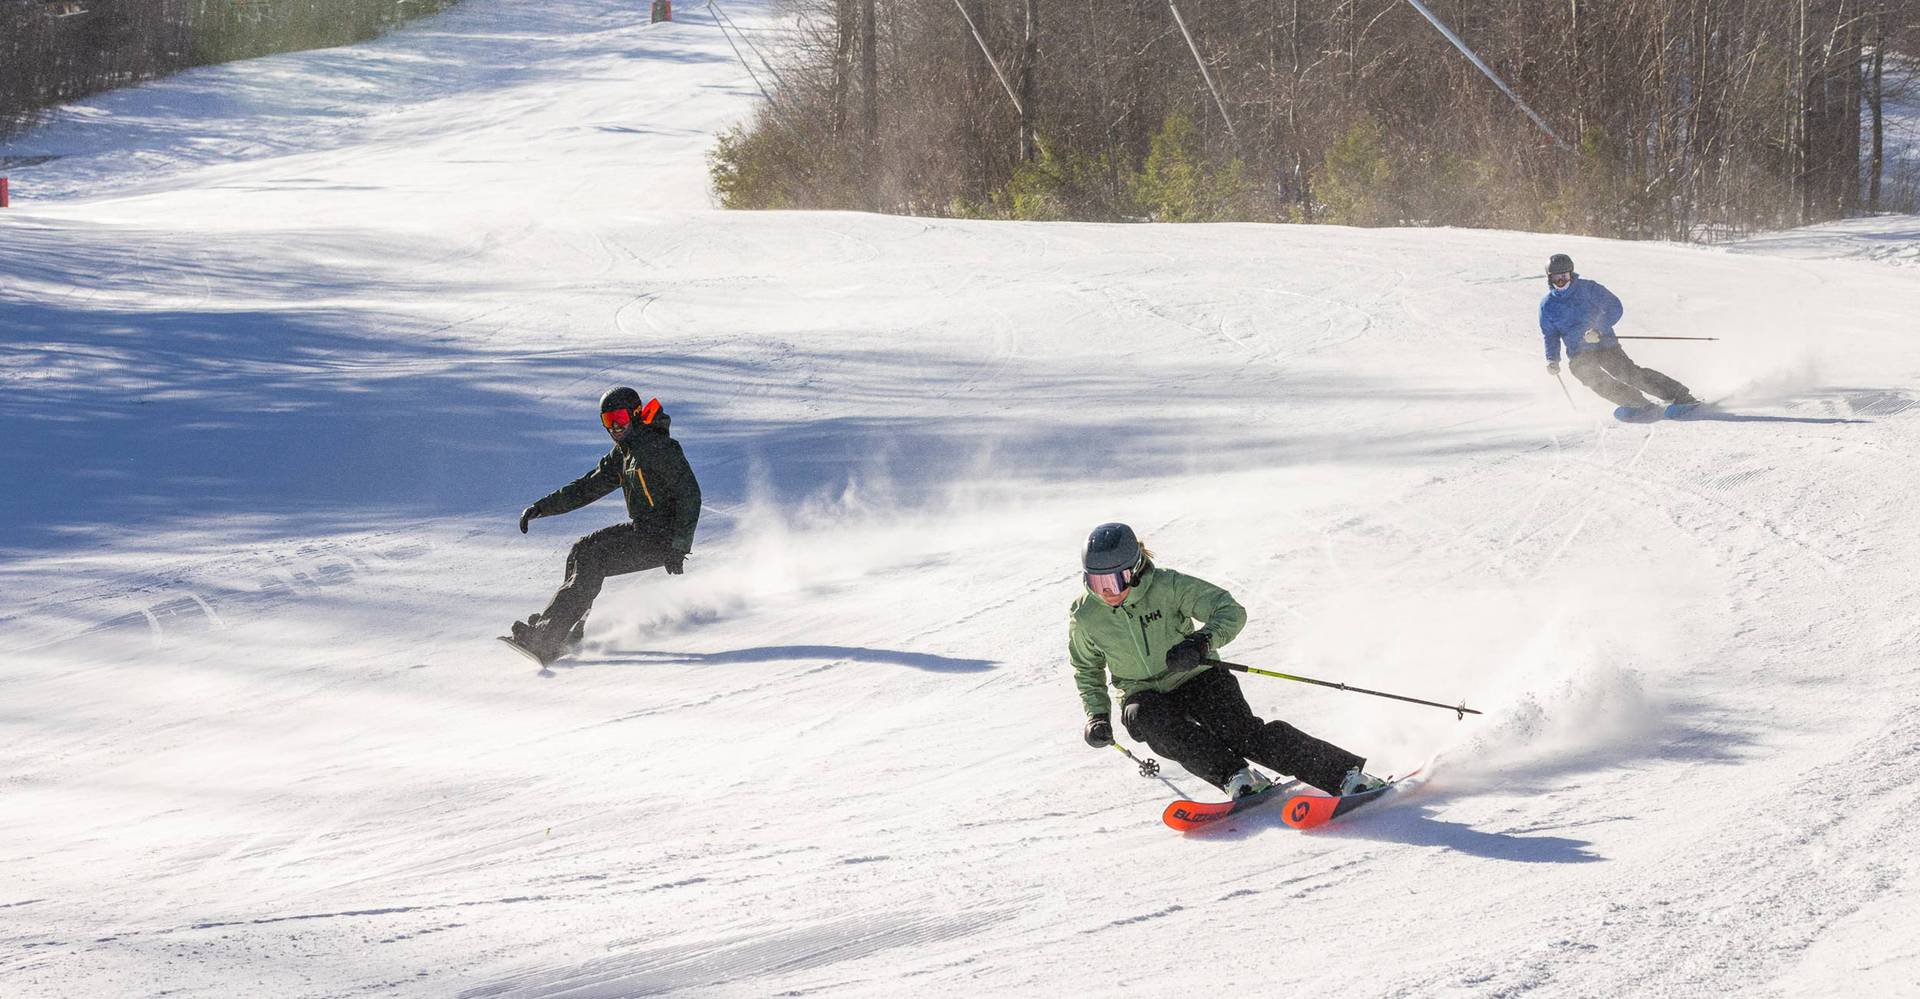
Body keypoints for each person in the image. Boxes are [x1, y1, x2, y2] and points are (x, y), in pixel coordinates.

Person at [1068, 523, 1385, 799]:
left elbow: (1229, 610)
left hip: (1196, 675)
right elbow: (1086, 668)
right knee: (1151, 723)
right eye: (1097, 583)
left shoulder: (1168, 586)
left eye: (1116, 581)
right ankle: (1236, 776)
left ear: (1136, 570)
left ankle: (1343, 775)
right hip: (1143, 694)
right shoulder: (1086, 616)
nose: (1107, 592)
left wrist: (1201, 642)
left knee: (1240, 732)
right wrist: (1097, 716)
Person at [508, 386, 702, 665]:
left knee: (593, 558)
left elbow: (690, 494)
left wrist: (679, 546)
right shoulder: (624, 454)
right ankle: (567, 633)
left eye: (620, 418)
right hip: (644, 530)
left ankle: (547, 639)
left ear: (635, 414)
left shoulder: (659, 448)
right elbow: (587, 487)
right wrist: (542, 508)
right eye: (608, 421)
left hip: (664, 538)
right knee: (581, 550)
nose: (615, 427)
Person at [1540, 253, 1699, 412]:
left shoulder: (1588, 289)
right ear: (1549, 278)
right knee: (1588, 375)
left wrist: (1598, 328)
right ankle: (1635, 402)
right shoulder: (1547, 305)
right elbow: (1550, 335)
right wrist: (1552, 359)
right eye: (1556, 278)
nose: (1561, 281)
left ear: (1571, 274)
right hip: (1578, 352)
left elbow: (1614, 307)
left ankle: (1680, 395)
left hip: (1604, 345)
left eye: (1564, 276)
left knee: (1627, 373)